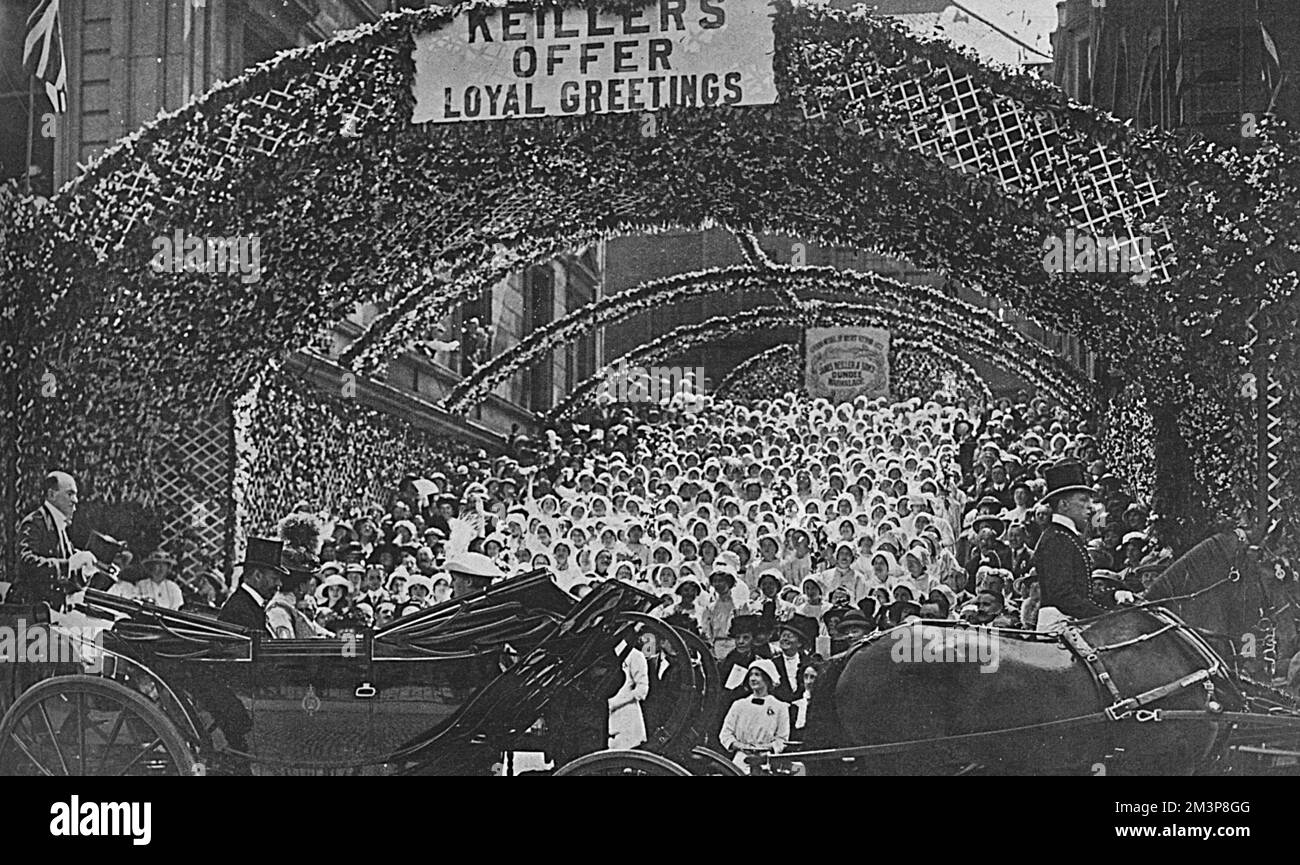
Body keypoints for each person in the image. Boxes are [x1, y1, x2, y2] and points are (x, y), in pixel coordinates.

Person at [1034, 460, 1133, 632]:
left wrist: (1112, 596)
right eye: (1083, 500)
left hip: (1071, 621)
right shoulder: (1057, 538)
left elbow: (1081, 594)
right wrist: (1105, 615)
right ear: (1063, 505)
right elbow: (1063, 596)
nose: (1090, 507)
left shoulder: (1065, 536)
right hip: (1060, 625)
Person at [14, 471, 94, 608]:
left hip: (50, 611)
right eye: (70, 494)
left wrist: (84, 571)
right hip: (30, 611)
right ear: (52, 495)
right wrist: (68, 565)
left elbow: (66, 577)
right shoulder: (35, 522)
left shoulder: (59, 525)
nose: (75, 500)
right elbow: (25, 564)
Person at [719, 658, 789, 773]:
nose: (753, 679)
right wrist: (741, 746)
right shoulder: (739, 705)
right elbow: (725, 734)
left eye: (757, 675)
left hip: (766, 761)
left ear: (767, 678)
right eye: (751, 675)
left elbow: (782, 738)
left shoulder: (780, 707)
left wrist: (766, 748)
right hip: (741, 761)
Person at [219, 537, 287, 634]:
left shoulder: (250, 604)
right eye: (274, 578)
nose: (279, 583)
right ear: (257, 576)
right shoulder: (240, 611)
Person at [608, 640, 649, 750]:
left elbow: (642, 690)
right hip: (611, 721)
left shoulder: (635, 656)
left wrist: (615, 703)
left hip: (627, 719)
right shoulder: (607, 655)